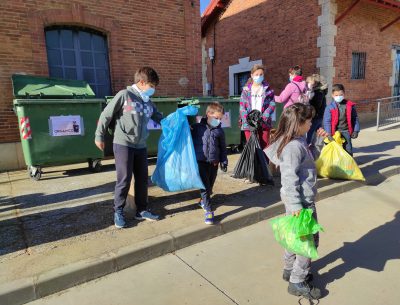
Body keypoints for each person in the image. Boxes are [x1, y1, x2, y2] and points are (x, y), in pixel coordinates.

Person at [265, 104, 328, 300]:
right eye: (309, 121)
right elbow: (289, 178)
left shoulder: (298, 140)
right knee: (308, 241)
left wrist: (318, 142)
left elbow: (309, 159)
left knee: (294, 237)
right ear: (298, 123)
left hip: (298, 201)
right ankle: (297, 280)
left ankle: (289, 269)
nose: (311, 123)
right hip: (300, 202)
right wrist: (296, 207)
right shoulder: (293, 147)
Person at [95, 67, 163, 228]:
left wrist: (177, 124)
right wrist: (99, 135)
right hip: (123, 143)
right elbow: (106, 114)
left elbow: (159, 117)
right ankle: (118, 211)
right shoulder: (124, 95)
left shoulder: (148, 101)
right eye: (151, 86)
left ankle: (142, 210)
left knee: (142, 179)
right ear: (141, 82)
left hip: (141, 145)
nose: (153, 89)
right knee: (124, 179)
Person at [191, 102, 228, 225]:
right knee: (205, 187)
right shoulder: (196, 128)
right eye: (216, 118)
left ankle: (203, 201)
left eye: (220, 118)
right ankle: (209, 210)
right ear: (208, 114)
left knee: (210, 186)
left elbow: (223, 148)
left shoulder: (219, 131)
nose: (218, 121)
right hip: (200, 162)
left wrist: (224, 161)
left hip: (214, 163)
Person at [239, 64, 275, 150]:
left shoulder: (268, 90)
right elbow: (242, 107)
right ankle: (253, 164)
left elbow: (272, 104)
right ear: (252, 75)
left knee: (265, 147)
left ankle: (264, 163)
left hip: (263, 122)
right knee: (251, 148)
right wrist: (247, 120)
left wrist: (265, 116)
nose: (259, 76)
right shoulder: (245, 90)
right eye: (256, 74)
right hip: (249, 123)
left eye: (261, 74)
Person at [323, 84, 360, 156]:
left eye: (341, 94)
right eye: (336, 95)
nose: (339, 96)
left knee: (348, 150)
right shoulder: (329, 108)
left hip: (346, 132)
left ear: (344, 94)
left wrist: (356, 130)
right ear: (333, 95)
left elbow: (355, 118)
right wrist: (329, 134)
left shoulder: (350, 106)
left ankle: (349, 165)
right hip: (335, 133)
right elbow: (327, 122)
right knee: (336, 152)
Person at [306, 74, 328, 144]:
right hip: (319, 115)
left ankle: (307, 146)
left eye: (311, 83)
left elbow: (316, 105)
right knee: (320, 130)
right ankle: (329, 142)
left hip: (316, 116)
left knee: (309, 132)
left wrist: (309, 100)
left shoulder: (318, 93)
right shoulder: (320, 92)